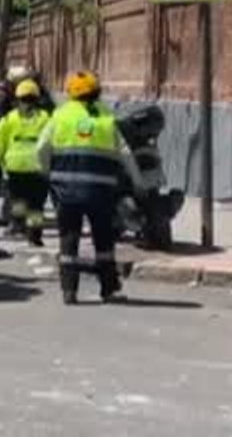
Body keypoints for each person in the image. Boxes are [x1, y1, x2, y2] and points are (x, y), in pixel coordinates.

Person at [37, 71, 141, 305]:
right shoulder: (106, 117)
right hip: (101, 192)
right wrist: (137, 180)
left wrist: (47, 173)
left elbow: (41, 148)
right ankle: (108, 289)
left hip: (66, 190)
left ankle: (69, 291)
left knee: (69, 240)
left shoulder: (60, 116)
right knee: (103, 241)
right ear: (97, 92)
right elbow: (125, 152)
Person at [0, 79, 52, 246]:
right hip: (38, 168)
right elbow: (53, 141)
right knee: (36, 204)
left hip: (15, 168)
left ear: (17, 99)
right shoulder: (45, 118)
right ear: (37, 99)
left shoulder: (9, 119)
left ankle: (17, 226)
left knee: (18, 200)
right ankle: (35, 236)